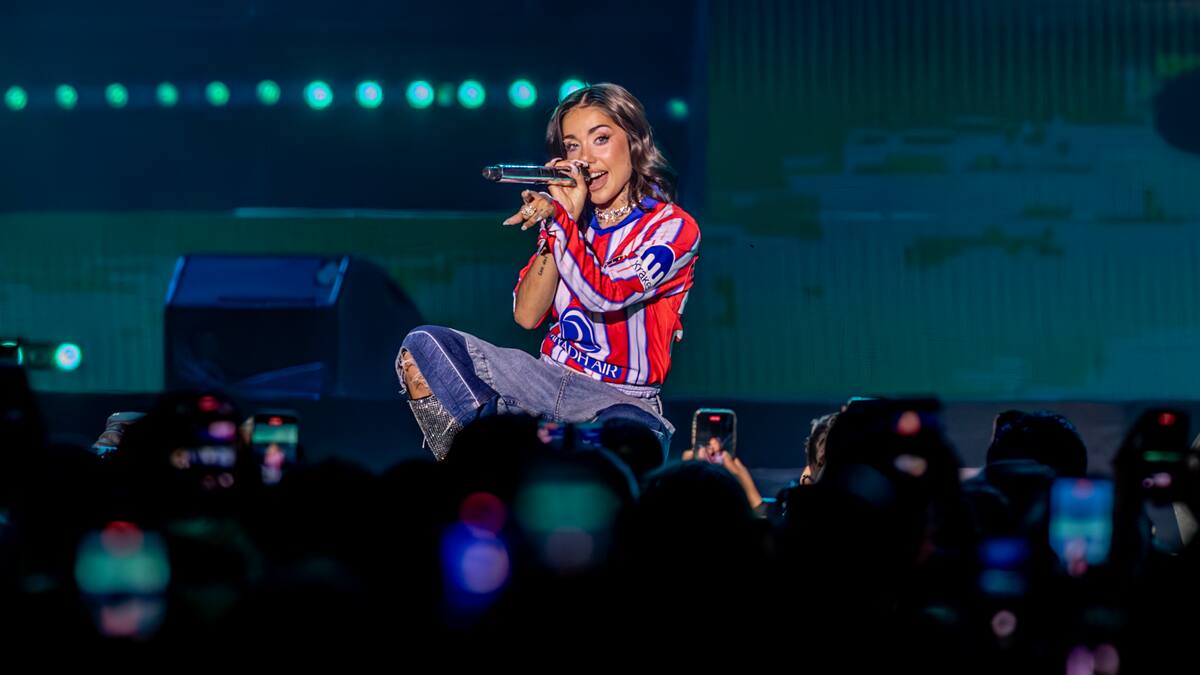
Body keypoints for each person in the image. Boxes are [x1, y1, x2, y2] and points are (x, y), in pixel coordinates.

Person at [396, 83, 701, 459]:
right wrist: (559, 224)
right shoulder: (568, 219)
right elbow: (527, 315)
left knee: (624, 440)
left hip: (620, 400)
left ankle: (543, 446)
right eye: (572, 146)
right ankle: (478, 461)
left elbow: (606, 296)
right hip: (545, 380)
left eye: (600, 139)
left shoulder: (673, 227)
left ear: (635, 142)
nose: (584, 160)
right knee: (423, 349)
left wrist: (562, 224)